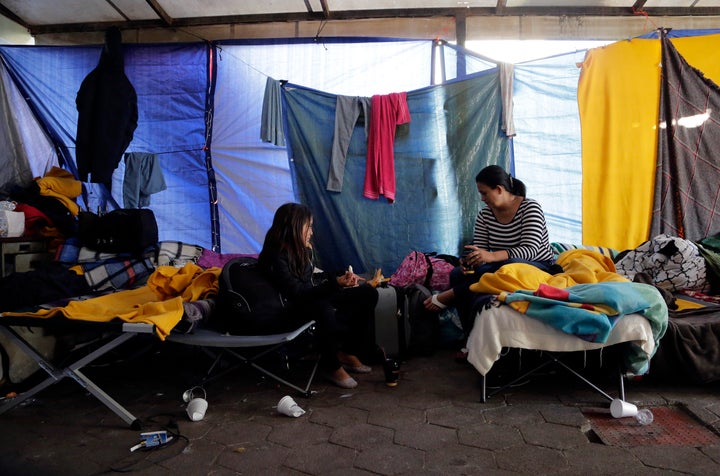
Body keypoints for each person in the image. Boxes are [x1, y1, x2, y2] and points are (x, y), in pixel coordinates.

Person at [258, 202, 379, 389]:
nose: (311, 232)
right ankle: (331, 365)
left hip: (304, 300)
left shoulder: (297, 250)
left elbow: (310, 281)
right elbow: (298, 294)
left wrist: (339, 277)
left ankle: (347, 351)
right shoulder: (275, 256)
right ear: (295, 227)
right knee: (322, 306)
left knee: (367, 293)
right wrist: (335, 284)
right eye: (309, 227)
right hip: (284, 311)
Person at [424, 165, 556, 334]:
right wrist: (469, 261)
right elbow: (480, 249)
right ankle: (469, 337)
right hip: (501, 265)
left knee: (510, 265)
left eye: (484, 193)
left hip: (538, 264)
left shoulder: (530, 208)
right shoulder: (485, 215)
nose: (482, 199)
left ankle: (451, 294)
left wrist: (492, 256)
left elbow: (530, 250)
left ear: (499, 189)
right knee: (458, 273)